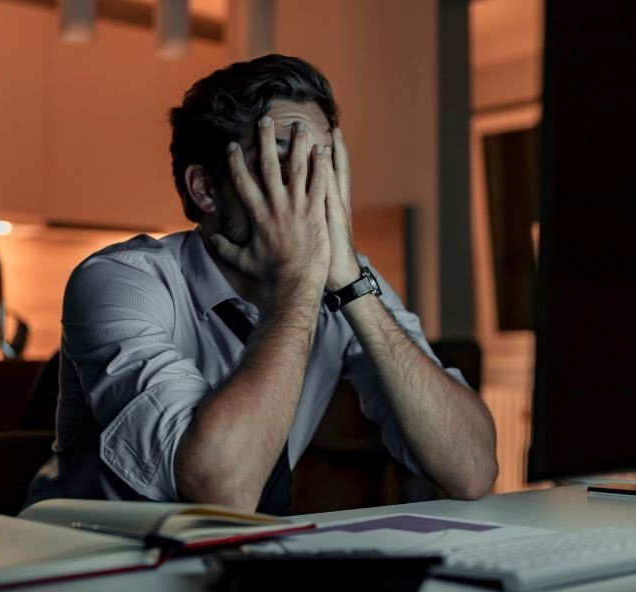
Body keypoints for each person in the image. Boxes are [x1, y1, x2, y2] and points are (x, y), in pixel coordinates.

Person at [25, 54, 497, 515]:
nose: (313, 195)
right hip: (86, 563)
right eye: (284, 166)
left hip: (233, 567)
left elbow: (472, 470)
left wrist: (353, 285)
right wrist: (297, 280)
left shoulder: (345, 276)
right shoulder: (120, 280)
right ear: (205, 189)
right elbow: (221, 491)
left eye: (324, 166)